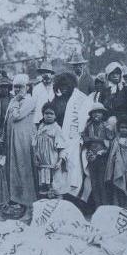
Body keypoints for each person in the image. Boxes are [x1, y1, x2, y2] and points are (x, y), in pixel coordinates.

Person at [50, 72, 90, 200]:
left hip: (73, 138)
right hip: (59, 137)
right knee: (60, 168)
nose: (64, 88)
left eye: (67, 86)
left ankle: (74, 197)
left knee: (74, 167)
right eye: (61, 86)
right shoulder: (56, 100)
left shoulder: (78, 100)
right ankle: (62, 195)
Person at [5, 74, 38, 221]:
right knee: (15, 172)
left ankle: (30, 207)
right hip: (12, 140)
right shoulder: (13, 100)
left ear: (27, 87)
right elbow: (7, 119)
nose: (17, 89)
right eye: (15, 86)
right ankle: (21, 205)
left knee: (24, 171)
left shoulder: (29, 100)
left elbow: (17, 116)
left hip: (23, 140)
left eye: (20, 86)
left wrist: (16, 102)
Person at [81, 102, 113, 207]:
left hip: (103, 156)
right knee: (94, 182)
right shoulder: (88, 126)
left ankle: (105, 206)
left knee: (102, 182)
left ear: (103, 114)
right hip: (91, 155)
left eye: (99, 113)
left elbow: (110, 141)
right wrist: (88, 142)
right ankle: (98, 206)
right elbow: (84, 137)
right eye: (94, 113)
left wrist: (103, 150)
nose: (96, 115)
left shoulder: (106, 126)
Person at [99, 62, 127, 137]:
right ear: (108, 76)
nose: (115, 75)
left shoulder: (126, 90)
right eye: (112, 73)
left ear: (121, 75)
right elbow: (101, 108)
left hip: (124, 123)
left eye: (117, 73)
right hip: (108, 124)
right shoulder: (104, 91)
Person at [33, 103, 66, 198]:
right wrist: (36, 158)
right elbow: (35, 145)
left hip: (53, 162)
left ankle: (58, 205)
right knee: (44, 185)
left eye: (51, 114)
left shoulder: (57, 129)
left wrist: (60, 161)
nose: (48, 116)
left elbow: (62, 147)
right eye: (46, 113)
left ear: (55, 116)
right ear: (43, 114)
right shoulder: (40, 127)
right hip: (42, 163)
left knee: (55, 184)